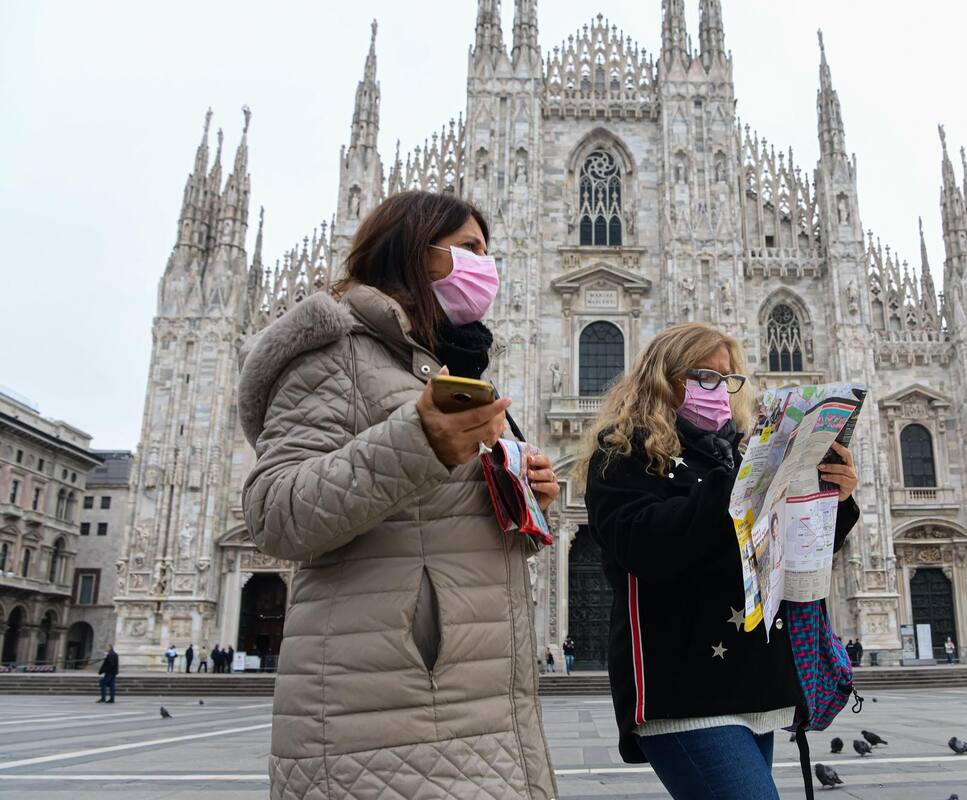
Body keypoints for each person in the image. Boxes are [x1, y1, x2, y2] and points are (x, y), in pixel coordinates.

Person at [238, 191, 558, 798]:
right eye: (469, 250)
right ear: (416, 253)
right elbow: (273, 512)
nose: (484, 267)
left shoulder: (450, 366)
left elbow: (437, 523)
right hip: (383, 712)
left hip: (483, 701)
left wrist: (528, 495)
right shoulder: (337, 353)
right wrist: (420, 443)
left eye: (488, 254)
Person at [583, 323, 860, 800]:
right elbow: (642, 545)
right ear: (665, 378)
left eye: (727, 378)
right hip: (684, 689)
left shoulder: (733, 451)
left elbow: (781, 555)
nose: (719, 389)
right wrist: (741, 479)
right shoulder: (623, 451)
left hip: (752, 684)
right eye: (704, 376)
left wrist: (832, 498)